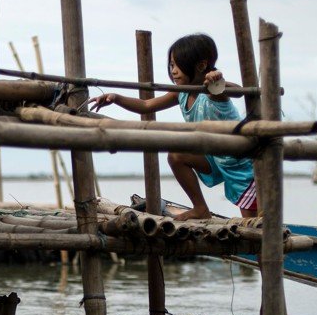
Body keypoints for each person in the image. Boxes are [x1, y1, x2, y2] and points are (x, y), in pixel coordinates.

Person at [88, 33, 257, 219]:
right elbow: (146, 105)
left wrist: (217, 81)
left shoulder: (214, 91)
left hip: (240, 163)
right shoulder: (181, 93)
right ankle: (201, 208)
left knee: (253, 224)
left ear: (200, 66)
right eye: (171, 65)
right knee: (176, 155)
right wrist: (116, 98)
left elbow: (237, 92)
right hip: (214, 158)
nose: (173, 71)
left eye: (178, 65)